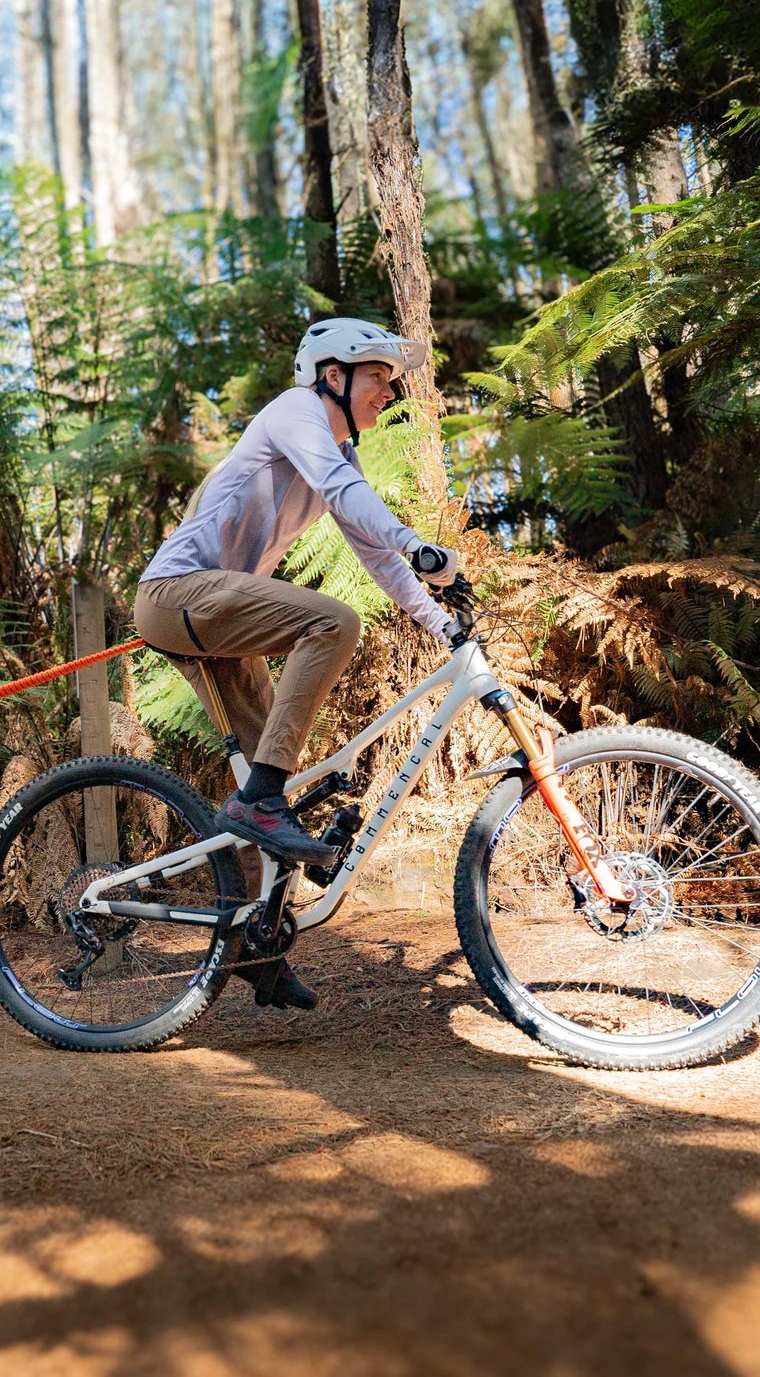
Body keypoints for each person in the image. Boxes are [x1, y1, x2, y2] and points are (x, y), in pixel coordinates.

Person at [134, 319, 461, 1009]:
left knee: (267, 777)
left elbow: (376, 556)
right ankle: (257, 804)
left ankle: (256, 945)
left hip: (214, 614)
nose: (388, 392)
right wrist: (416, 541)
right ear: (332, 376)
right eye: (378, 378)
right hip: (176, 595)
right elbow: (351, 501)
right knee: (331, 621)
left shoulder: (337, 453)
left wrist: (438, 620)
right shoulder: (294, 412)